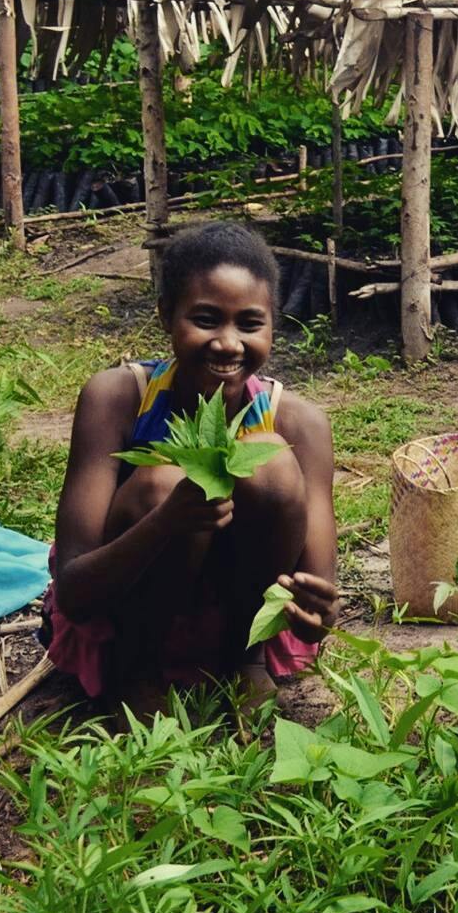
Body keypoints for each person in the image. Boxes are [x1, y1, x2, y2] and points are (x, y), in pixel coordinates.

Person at [44, 222, 339, 717]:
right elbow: (75, 591)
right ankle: (138, 670)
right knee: (166, 481)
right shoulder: (117, 398)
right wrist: (167, 521)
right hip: (129, 608)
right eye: (205, 319)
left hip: (233, 609)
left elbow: (316, 585)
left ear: (272, 326)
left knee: (270, 461)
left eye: (249, 323)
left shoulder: (300, 422)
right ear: (166, 317)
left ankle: (243, 660)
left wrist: (316, 616)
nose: (227, 343)